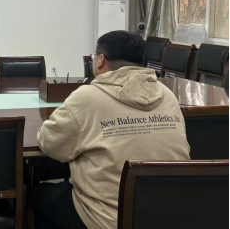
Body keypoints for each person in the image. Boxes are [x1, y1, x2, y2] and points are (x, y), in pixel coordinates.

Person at [34, 31, 190, 229]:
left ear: (101, 60)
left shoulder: (87, 97)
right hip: (168, 216)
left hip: (106, 220)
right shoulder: (168, 96)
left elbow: (49, 143)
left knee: (39, 196)